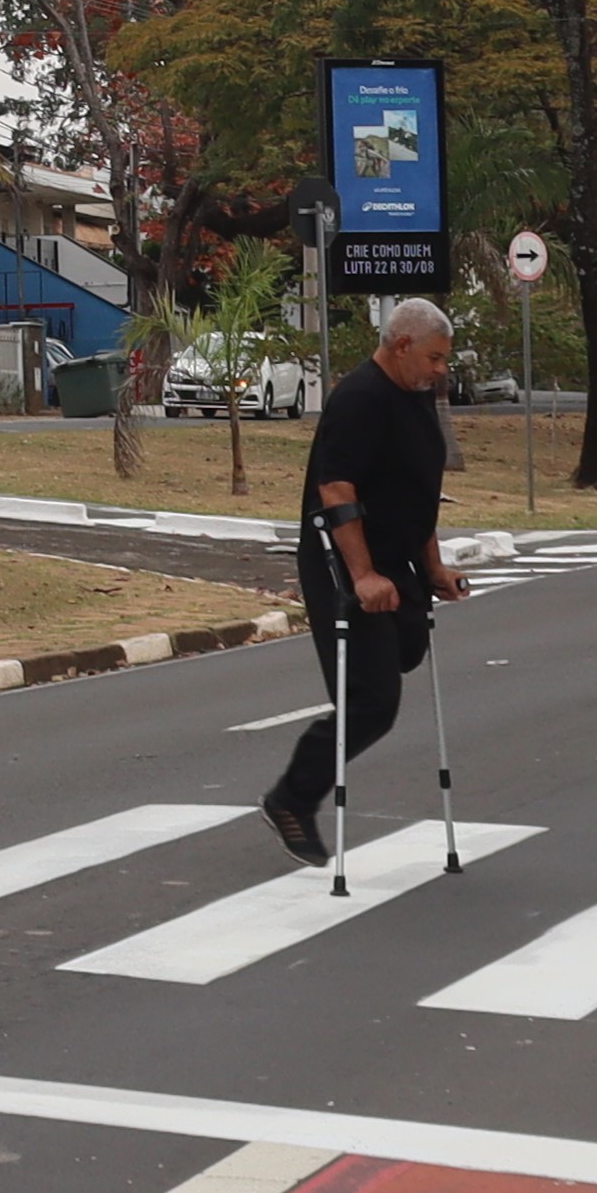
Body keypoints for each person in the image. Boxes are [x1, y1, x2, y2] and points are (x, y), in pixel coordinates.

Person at [262, 299, 466, 866]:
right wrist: (364, 576)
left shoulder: (418, 400)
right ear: (401, 346)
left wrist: (433, 568)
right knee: (374, 703)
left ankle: (377, 649)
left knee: (404, 652)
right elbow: (336, 492)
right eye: (434, 357)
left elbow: (420, 497)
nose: (440, 369)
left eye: (444, 360)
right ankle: (290, 799)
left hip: (396, 563)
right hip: (342, 565)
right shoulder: (359, 399)